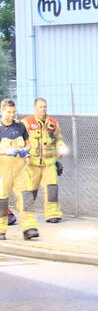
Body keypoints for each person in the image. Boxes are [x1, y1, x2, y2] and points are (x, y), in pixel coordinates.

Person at [21, 98, 66, 223]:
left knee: (52, 189)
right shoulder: (26, 122)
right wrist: (24, 155)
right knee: (30, 190)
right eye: (40, 107)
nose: (43, 109)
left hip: (49, 163)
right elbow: (20, 140)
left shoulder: (53, 123)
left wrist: (61, 147)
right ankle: (27, 216)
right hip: (32, 164)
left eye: (45, 107)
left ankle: (52, 214)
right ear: (35, 108)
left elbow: (58, 139)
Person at [0, 99, 37, 241]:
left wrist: (25, 150)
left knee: (25, 198)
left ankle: (29, 228)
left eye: (14, 112)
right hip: (2, 172)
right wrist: (5, 151)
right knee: (2, 201)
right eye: (9, 112)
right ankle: (1, 230)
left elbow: (28, 144)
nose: (12, 115)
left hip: (20, 170)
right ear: (1, 111)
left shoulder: (20, 126)